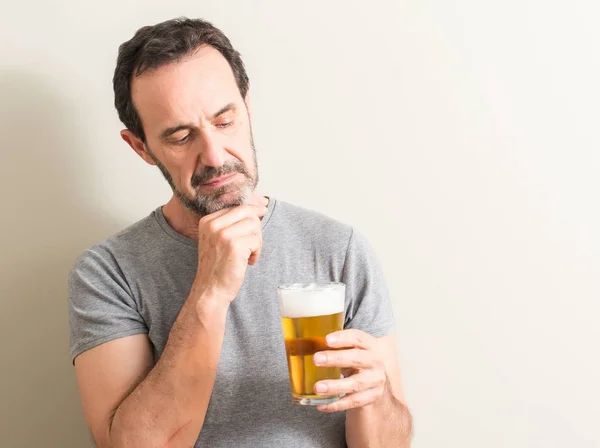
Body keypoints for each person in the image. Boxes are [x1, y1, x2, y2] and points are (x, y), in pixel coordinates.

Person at [68, 17, 412, 448]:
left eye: (224, 120)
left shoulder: (338, 249)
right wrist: (209, 293)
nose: (213, 155)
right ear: (141, 148)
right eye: (180, 136)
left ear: (247, 107)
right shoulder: (109, 272)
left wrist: (376, 399)